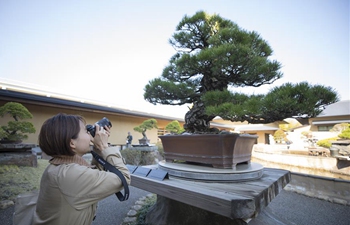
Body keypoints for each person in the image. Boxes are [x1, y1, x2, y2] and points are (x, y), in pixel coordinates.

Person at [32, 113, 131, 225]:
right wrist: (105, 147)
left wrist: (98, 150)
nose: (90, 134)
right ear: (72, 143)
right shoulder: (70, 175)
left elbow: (94, 175)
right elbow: (124, 178)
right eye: (85, 131)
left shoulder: (58, 167)